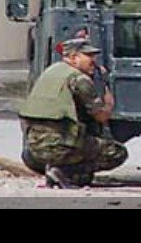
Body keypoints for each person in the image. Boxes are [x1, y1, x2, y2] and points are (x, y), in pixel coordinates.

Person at [18, 38, 128, 188]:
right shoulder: (78, 78)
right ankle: (63, 171)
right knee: (117, 153)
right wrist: (108, 98)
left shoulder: (50, 72)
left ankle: (56, 171)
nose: (93, 61)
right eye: (88, 56)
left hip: (34, 151)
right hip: (61, 146)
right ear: (74, 57)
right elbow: (101, 116)